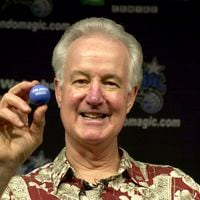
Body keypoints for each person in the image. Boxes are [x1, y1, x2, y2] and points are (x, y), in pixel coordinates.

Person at [0, 17, 199, 200]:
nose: (94, 97)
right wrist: (3, 167)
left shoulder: (177, 190)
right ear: (59, 92)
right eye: (81, 81)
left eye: (110, 83)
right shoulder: (13, 192)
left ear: (130, 97)